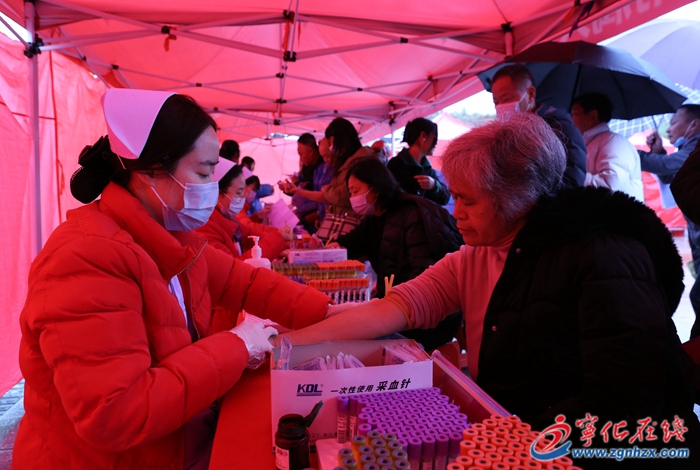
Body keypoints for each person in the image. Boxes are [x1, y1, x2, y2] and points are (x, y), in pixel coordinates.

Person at [283, 113, 697, 468]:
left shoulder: (604, 256)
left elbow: (625, 397)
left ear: (516, 196)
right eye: (456, 197)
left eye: (468, 201)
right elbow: (394, 307)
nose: (456, 213)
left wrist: (508, 449)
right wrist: (282, 347)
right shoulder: (475, 255)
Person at [13, 89, 332, 469]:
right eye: (203, 173)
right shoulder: (85, 257)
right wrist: (238, 344)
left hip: (171, 446)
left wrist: (331, 313)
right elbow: (115, 413)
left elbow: (245, 283)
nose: (210, 187)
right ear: (151, 169)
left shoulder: (172, 238)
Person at [332, 157, 463, 349]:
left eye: (356, 191)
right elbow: (350, 243)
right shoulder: (373, 219)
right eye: (350, 192)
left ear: (375, 188)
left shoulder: (411, 213)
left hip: (425, 316)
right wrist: (331, 247)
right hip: (396, 305)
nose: (353, 198)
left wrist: (387, 307)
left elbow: (420, 276)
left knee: (354, 336)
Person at [645, 104, 700, 338]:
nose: (668, 129)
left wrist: (637, 155)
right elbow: (671, 173)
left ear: (694, 124)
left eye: (674, 122)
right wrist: (658, 151)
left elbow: (670, 169)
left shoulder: (694, 146)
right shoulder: (689, 147)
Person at [490, 63, 586, 188]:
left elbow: (573, 181)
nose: (500, 106)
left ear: (530, 94)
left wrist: (526, 189)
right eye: (496, 102)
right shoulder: (507, 135)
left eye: (506, 98)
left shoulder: (562, 129)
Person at [283, 117, 375, 217]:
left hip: (354, 220)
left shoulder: (358, 164)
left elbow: (341, 195)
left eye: (331, 144)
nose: (328, 159)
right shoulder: (344, 164)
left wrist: (327, 191)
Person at [197, 161, 287, 261]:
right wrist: (277, 239)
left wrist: (279, 239)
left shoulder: (228, 217)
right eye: (239, 192)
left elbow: (249, 234)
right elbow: (233, 267)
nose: (243, 197)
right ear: (218, 192)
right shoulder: (205, 229)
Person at [571, 93, 644, 200]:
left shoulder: (614, 142)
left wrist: (572, 175)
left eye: (575, 113)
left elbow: (610, 185)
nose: (571, 119)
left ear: (592, 116)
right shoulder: (590, 142)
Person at [387, 118, 450, 205]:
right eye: (434, 137)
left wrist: (434, 186)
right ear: (423, 136)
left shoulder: (428, 170)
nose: (436, 143)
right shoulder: (395, 165)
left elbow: (445, 199)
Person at [279, 133, 333, 231]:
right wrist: (289, 188)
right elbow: (306, 190)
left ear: (311, 151)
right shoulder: (310, 169)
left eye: (301, 154)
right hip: (316, 217)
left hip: (324, 219)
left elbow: (325, 197)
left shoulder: (326, 167)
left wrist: (312, 216)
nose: (300, 159)